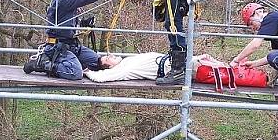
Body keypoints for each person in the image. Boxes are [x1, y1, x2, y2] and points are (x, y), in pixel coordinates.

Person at [23, 0, 127, 80]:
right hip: (58, 48)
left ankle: (71, 62)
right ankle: (42, 63)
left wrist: (82, 23)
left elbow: (66, 22)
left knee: (99, 63)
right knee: (75, 73)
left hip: (73, 46)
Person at [84, 53, 217, 83]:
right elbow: (101, 77)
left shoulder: (128, 61)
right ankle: (234, 72)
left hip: (178, 61)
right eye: (108, 58)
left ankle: (234, 69)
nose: (112, 55)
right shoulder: (123, 70)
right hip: (176, 68)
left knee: (205, 58)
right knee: (208, 67)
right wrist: (87, 72)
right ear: (109, 67)